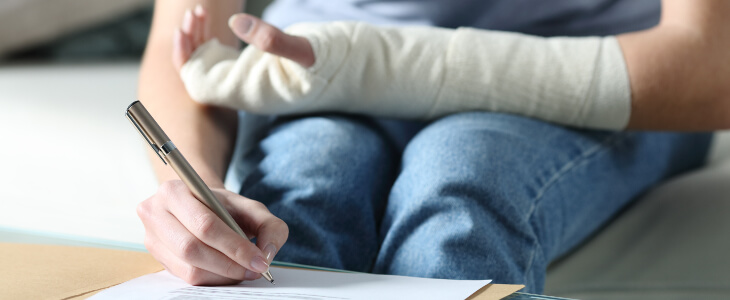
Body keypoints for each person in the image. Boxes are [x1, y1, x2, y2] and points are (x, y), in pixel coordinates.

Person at [136, 0, 729, 294]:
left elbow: (713, 67)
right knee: (298, 207)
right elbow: (186, 39)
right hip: (311, 68)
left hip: (604, 73)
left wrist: (379, 67)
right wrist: (195, 192)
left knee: (461, 190)